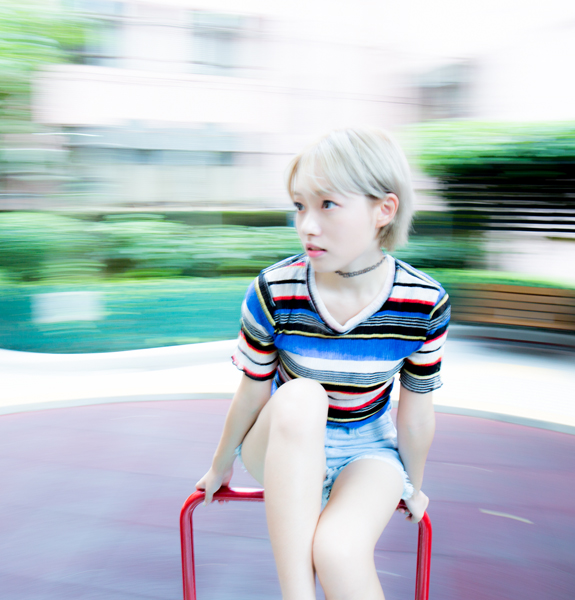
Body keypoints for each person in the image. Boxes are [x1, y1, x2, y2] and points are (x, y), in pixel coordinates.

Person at [196, 127, 450, 600]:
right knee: (302, 396)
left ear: (383, 210)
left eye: (327, 204)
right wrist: (220, 464)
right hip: (283, 439)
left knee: (338, 551)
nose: (307, 225)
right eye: (299, 206)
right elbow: (253, 389)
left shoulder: (423, 302)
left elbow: (416, 412)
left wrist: (413, 485)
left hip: (368, 446)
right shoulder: (276, 289)